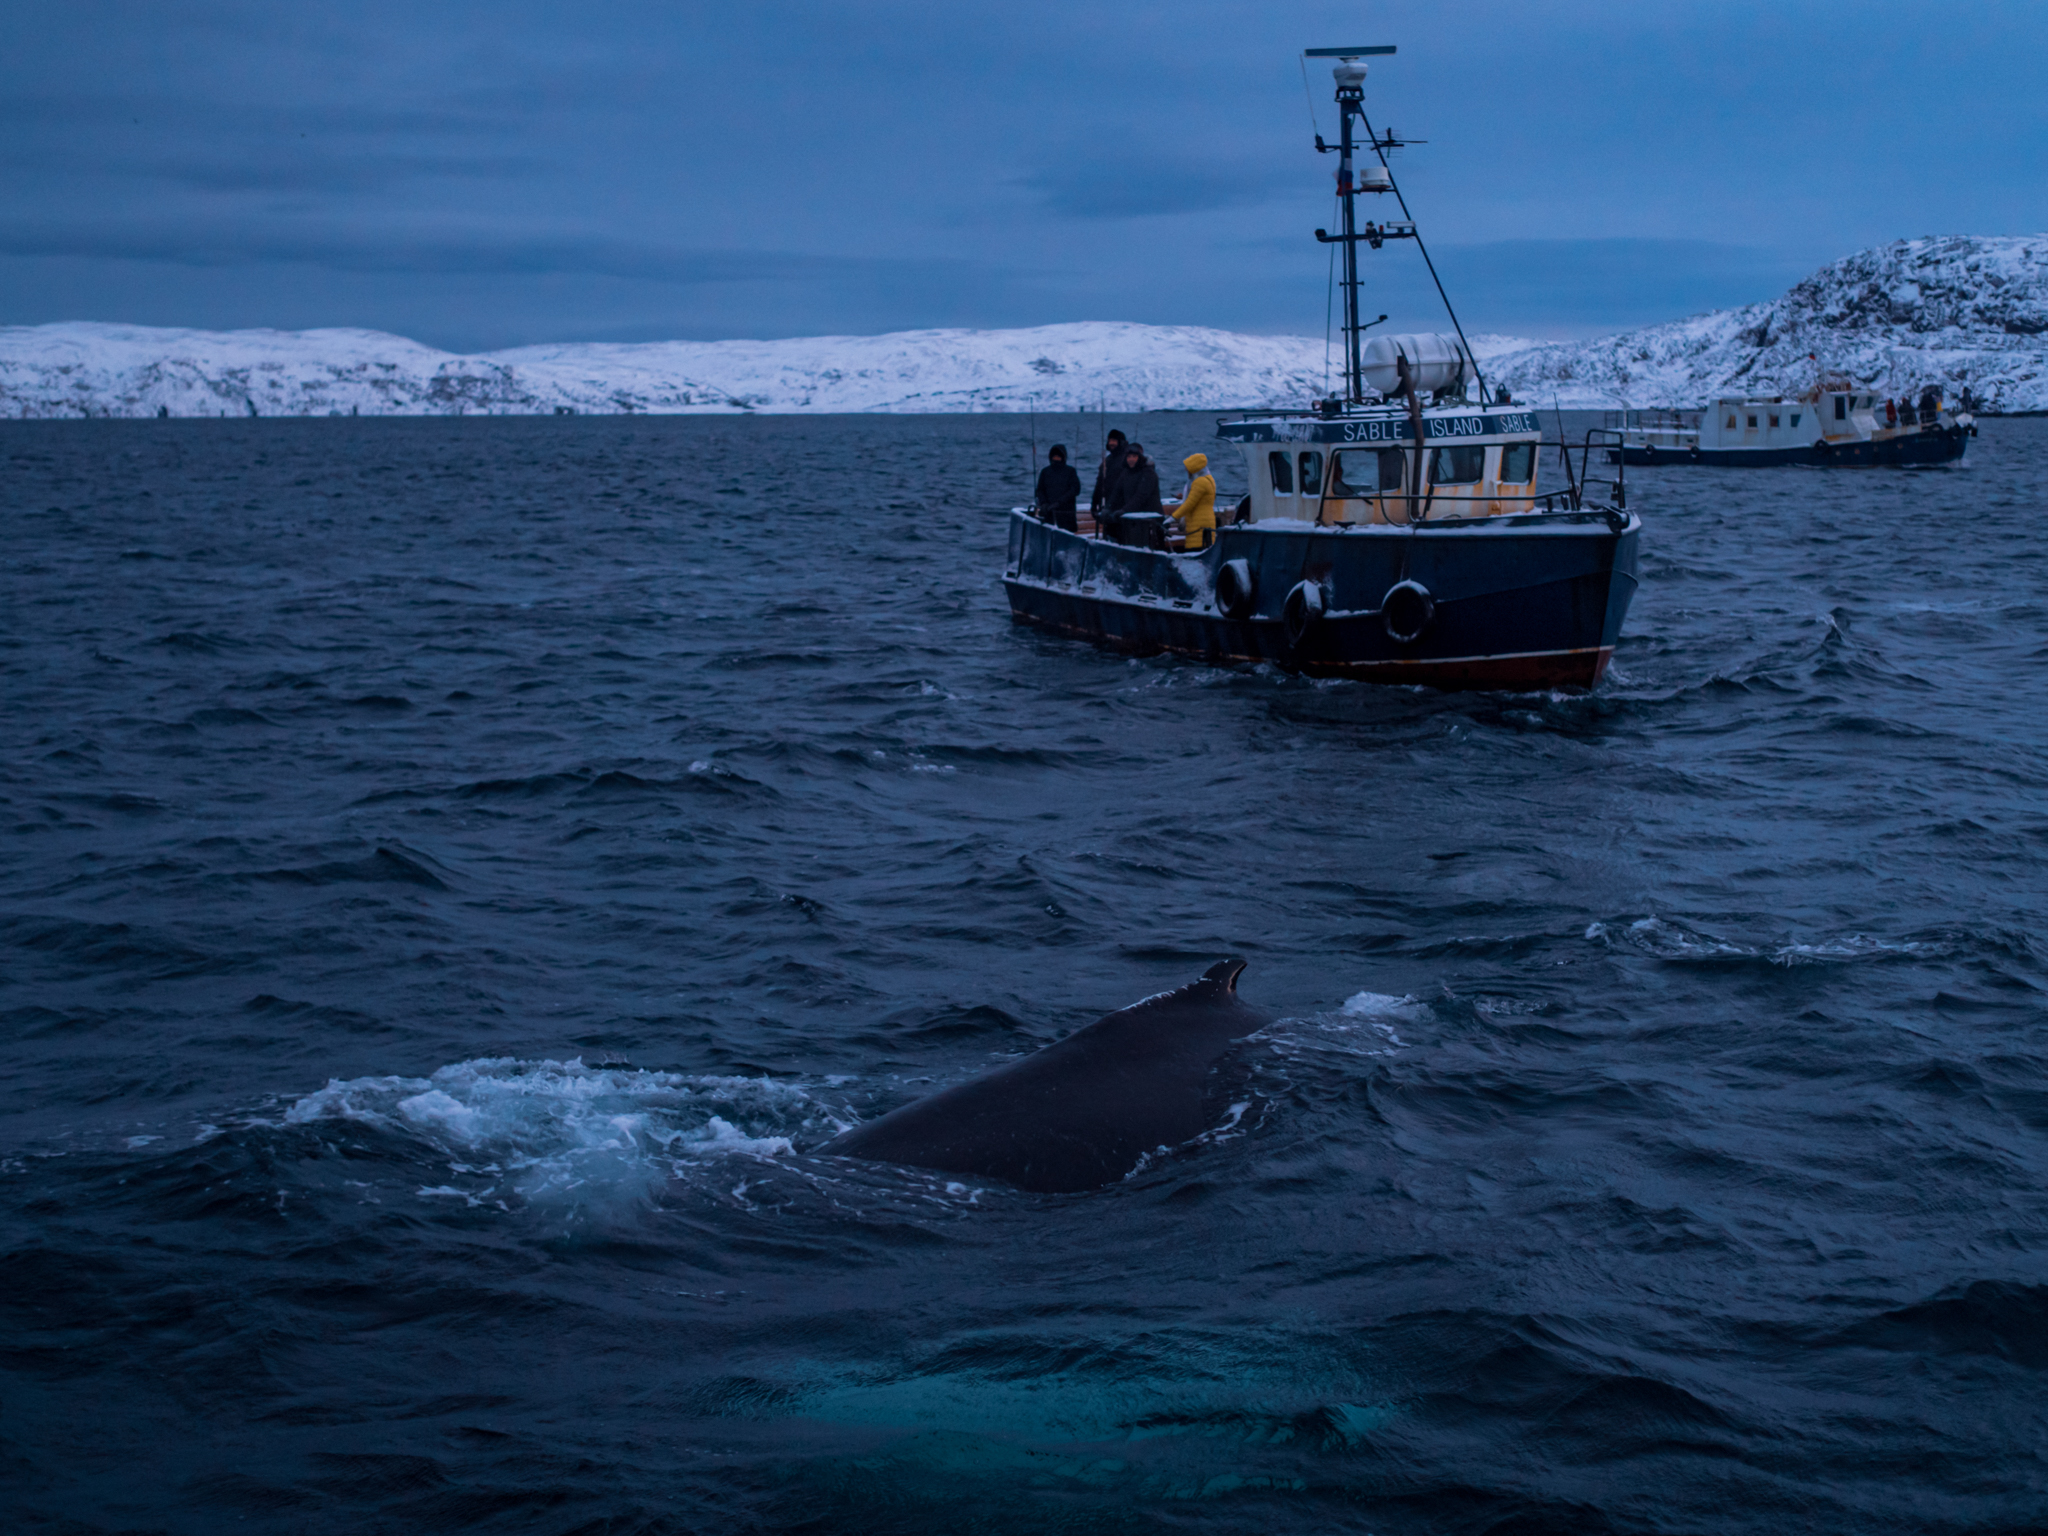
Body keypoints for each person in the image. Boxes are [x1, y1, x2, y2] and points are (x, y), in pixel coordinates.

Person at [1166, 452, 1216, 551]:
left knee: (1196, 554)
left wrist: (1172, 518)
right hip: (1204, 523)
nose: (1186, 471)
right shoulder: (1209, 479)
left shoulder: (1199, 482)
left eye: (1188, 469)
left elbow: (1189, 504)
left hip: (1199, 525)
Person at [1034, 444, 1081, 532]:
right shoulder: (1045, 472)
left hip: (1066, 515)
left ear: (1063, 458)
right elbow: (1040, 490)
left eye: (1058, 457)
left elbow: (1075, 489)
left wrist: (1059, 502)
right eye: (1054, 457)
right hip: (1048, 514)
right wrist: (1044, 503)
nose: (1056, 460)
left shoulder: (1070, 471)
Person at [1090, 430, 1129, 518]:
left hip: (1123, 506)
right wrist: (1094, 503)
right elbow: (1100, 482)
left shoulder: (1127, 459)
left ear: (1121, 442)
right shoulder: (1107, 460)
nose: (1111, 443)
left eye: (1114, 441)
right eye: (1109, 440)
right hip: (1107, 506)